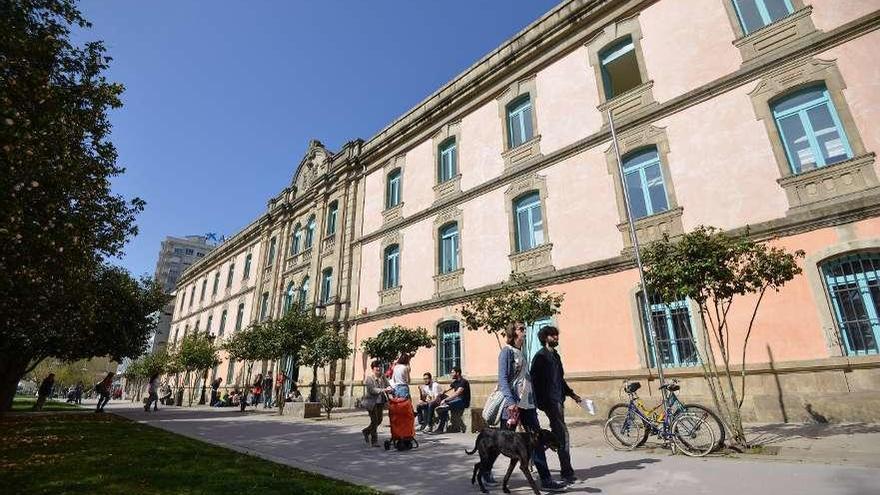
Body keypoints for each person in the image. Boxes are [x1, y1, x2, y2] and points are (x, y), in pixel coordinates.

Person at [497, 321, 566, 492]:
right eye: (521, 329)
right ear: (513, 333)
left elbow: (526, 380)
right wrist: (511, 403)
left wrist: (533, 402)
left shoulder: (522, 352)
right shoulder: (506, 352)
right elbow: (503, 380)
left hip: (527, 405)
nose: (524, 332)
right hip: (512, 405)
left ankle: (546, 479)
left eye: (524, 329)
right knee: (501, 442)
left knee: (537, 440)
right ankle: (484, 471)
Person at [531, 325, 581, 484]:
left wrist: (572, 394)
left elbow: (560, 379)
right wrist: (542, 402)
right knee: (562, 434)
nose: (556, 338)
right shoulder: (540, 357)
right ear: (545, 338)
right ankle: (566, 472)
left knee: (556, 435)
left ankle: (535, 450)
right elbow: (534, 382)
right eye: (553, 335)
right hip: (550, 402)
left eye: (556, 335)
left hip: (559, 400)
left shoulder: (556, 356)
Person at [361, 360, 392, 447]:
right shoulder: (369, 378)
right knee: (374, 421)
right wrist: (383, 390)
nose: (378, 368)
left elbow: (388, 385)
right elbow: (372, 390)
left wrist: (391, 389)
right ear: (373, 369)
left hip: (380, 402)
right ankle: (374, 441)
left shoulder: (383, 377)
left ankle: (366, 431)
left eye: (380, 367)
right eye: (376, 367)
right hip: (371, 403)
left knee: (379, 420)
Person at [431, 366, 470, 434]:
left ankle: (440, 428)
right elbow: (446, 390)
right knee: (443, 407)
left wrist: (445, 400)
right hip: (456, 400)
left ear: (457, 373)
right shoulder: (455, 382)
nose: (451, 374)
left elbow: (457, 394)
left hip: (463, 402)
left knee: (445, 406)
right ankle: (440, 425)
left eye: (452, 372)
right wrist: (439, 395)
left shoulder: (463, 382)